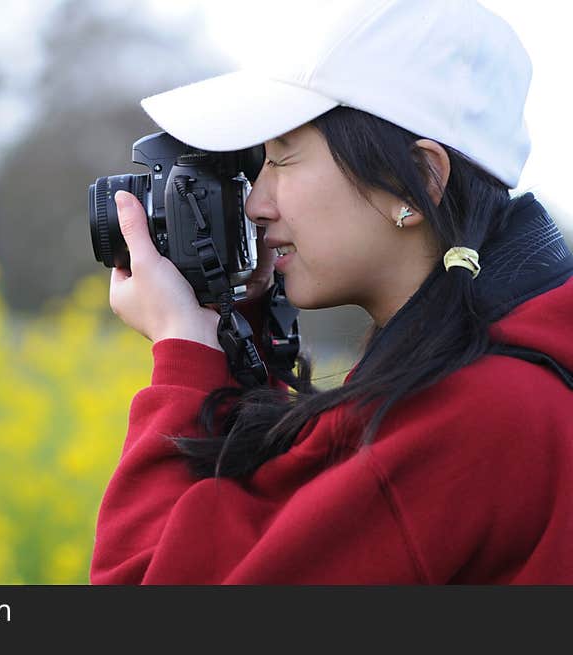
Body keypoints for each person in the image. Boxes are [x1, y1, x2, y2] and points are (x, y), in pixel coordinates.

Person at [90, 0, 573, 584]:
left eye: (284, 159)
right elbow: (276, 525)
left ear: (417, 182)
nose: (254, 204)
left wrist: (184, 359)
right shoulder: (472, 367)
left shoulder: (469, 415)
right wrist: (243, 339)